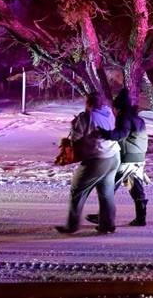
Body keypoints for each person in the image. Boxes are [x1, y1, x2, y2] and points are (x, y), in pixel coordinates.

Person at [55, 91, 120, 234]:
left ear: (88, 102)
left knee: (77, 190)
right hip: (114, 156)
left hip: (97, 158)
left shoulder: (87, 117)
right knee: (106, 193)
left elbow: (76, 137)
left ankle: (72, 225)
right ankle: (107, 224)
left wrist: (75, 124)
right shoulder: (109, 112)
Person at [87, 88, 149, 227]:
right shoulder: (139, 119)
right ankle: (141, 218)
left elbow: (122, 134)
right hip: (139, 159)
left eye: (115, 108)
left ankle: (103, 217)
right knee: (136, 188)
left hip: (128, 159)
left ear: (119, 108)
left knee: (108, 186)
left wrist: (105, 133)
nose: (113, 112)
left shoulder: (124, 117)